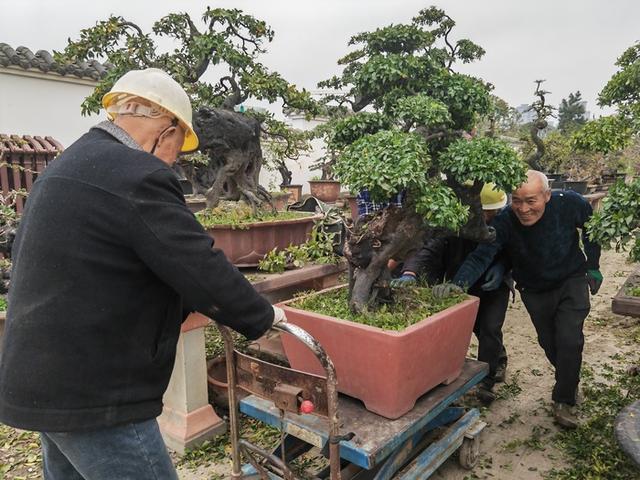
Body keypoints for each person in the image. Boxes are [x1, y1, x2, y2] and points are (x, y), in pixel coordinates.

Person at [0, 68, 286, 480]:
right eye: (178, 147)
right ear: (165, 129)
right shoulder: (137, 174)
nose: (175, 159)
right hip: (96, 394)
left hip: (42, 379)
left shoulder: (66, 166)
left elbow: (115, 262)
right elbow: (195, 262)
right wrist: (263, 316)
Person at [434, 170, 602, 429]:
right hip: (534, 288)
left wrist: (593, 264)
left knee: (570, 339)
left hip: (571, 279)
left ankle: (564, 399)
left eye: (531, 200)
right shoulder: (504, 220)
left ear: (546, 195)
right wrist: (457, 285)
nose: (523, 209)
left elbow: (593, 228)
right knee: (549, 342)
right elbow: (482, 256)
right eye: (516, 200)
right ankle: (569, 376)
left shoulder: (569, 203)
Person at [391, 183, 511, 404]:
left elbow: (512, 248)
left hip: (492, 284)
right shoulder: (452, 217)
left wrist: (504, 267)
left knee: (490, 327)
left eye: (491, 213)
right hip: (459, 280)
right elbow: (430, 246)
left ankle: (487, 381)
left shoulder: (506, 219)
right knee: (471, 325)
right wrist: (410, 272)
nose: (487, 218)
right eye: (483, 212)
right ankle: (461, 366)